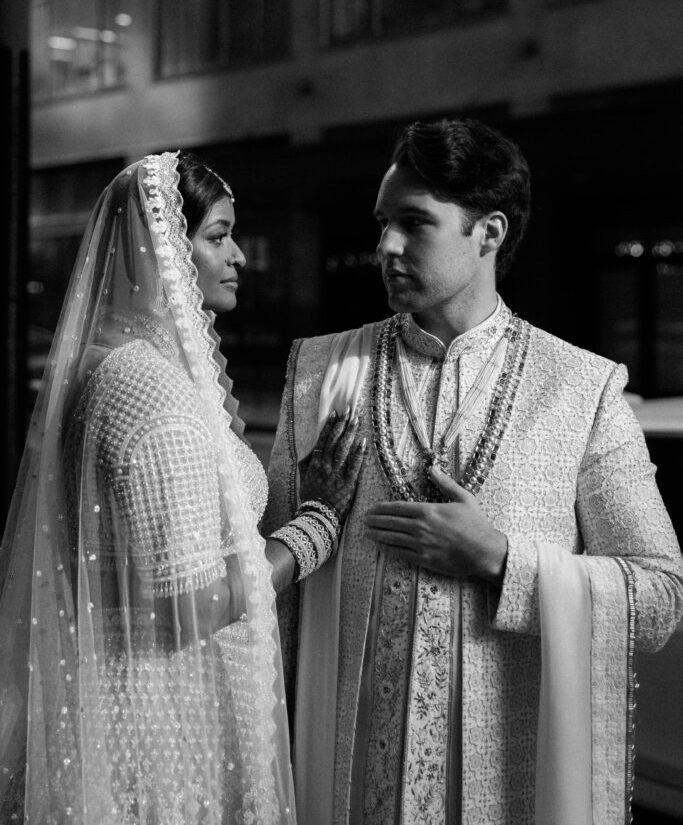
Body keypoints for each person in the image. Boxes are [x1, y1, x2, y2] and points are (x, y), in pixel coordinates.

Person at [264, 118, 683, 825]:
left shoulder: (579, 388)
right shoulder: (321, 373)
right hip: (340, 777)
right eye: (380, 224)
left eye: (413, 224)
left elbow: (659, 598)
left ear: (487, 232)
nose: (384, 248)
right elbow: (273, 604)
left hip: (503, 787)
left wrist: (500, 561)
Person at [0, 150, 363, 824]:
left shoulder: (117, 367)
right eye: (218, 236)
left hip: (114, 705)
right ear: (162, 249)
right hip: (149, 727)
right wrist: (312, 528)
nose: (239, 257)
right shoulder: (150, 393)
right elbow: (187, 609)